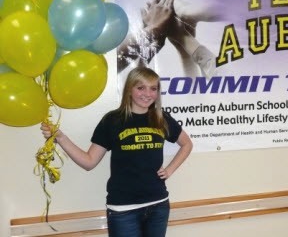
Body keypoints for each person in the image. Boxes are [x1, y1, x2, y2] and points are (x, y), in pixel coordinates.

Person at [41, 67, 193, 237]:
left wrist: (170, 170)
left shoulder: (161, 118)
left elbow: (187, 144)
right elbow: (89, 161)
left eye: (153, 88)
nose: (147, 94)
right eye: (140, 87)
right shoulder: (113, 120)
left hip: (158, 204)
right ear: (129, 89)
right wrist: (60, 138)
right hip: (123, 209)